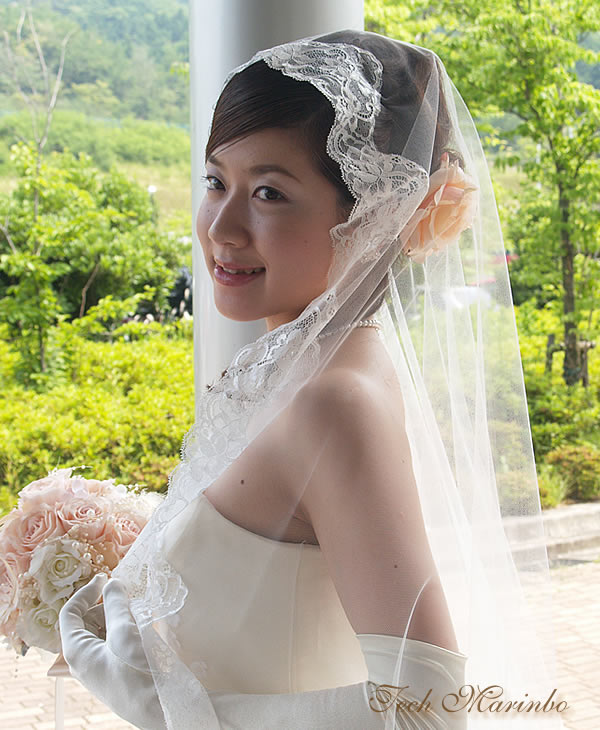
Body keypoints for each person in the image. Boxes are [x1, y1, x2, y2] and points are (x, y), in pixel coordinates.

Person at [59, 30, 565, 729]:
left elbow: (426, 710)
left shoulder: (334, 402)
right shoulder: (293, 363)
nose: (222, 228)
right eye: (216, 181)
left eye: (269, 192)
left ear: (372, 216)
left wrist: (161, 703)